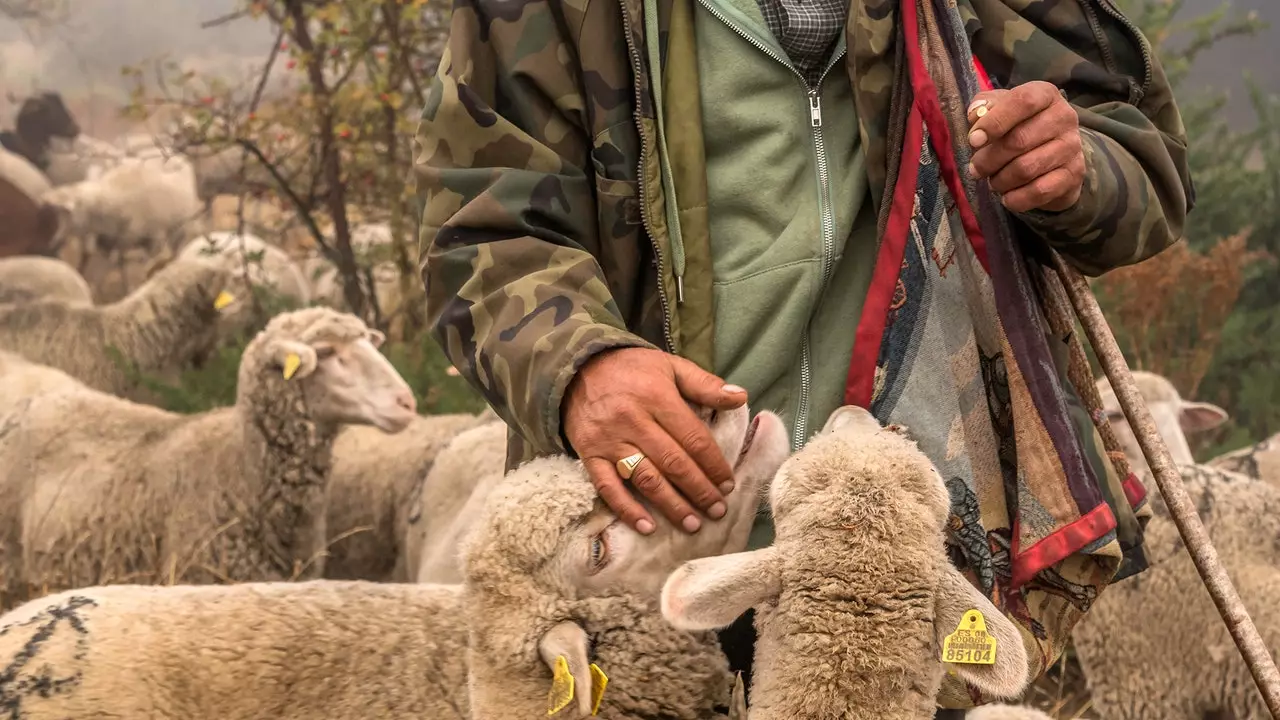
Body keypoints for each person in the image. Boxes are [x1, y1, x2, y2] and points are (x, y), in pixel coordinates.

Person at [415, 0, 1189, 714]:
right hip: (640, 571)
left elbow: (1139, 153)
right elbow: (480, 224)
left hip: (899, 573)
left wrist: (1075, 170)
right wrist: (579, 367)